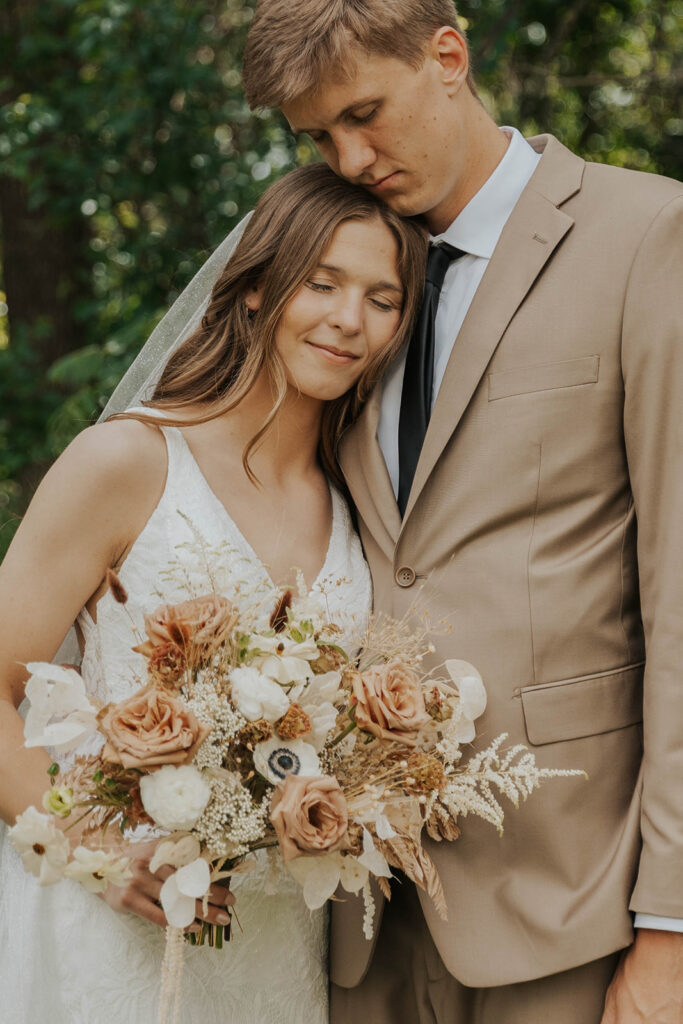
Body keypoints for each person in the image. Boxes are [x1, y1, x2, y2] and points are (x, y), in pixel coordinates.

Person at [239, 2, 683, 1022]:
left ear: (448, 56)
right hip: (354, 902)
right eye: (317, 138)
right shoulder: (346, 276)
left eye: (365, 114)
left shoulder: (646, 233)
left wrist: (670, 924)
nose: (349, 159)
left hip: (575, 901)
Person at [0, 162, 428, 1023]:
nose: (350, 320)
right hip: (111, 925)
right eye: (322, 283)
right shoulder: (128, 461)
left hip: (273, 939)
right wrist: (100, 854)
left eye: (383, 299)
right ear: (257, 291)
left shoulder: (360, 502)